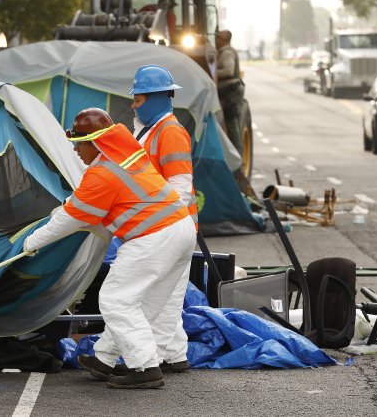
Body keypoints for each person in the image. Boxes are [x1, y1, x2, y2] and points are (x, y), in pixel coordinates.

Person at [23, 108, 196, 389]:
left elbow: (72, 219)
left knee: (117, 300)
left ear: (96, 142)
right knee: (141, 302)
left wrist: (31, 243)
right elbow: (77, 206)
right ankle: (104, 359)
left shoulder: (103, 173)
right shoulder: (126, 155)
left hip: (152, 237)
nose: (77, 151)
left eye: (80, 144)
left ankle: (145, 369)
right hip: (180, 229)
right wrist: (65, 209)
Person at [128, 64, 198, 374]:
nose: (133, 104)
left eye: (138, 99)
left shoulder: (169, 132)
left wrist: (159, 230)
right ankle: (175, 354)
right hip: (162, 228)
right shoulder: (149, 129)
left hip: (167, 229)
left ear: (156, 98)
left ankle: (151, 361)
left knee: (158, 299)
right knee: (168, 296)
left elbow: (179, 191)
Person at [215, 29, 246, 156]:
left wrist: (213, 73)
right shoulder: (225, 52)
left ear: (222, 40)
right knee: (232, 124)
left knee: (232, 125)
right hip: (230, 92)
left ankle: (237, 159)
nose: (216, 40)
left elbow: (228, 70)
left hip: (230, 93)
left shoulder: (227, 53)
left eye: (218, 38)